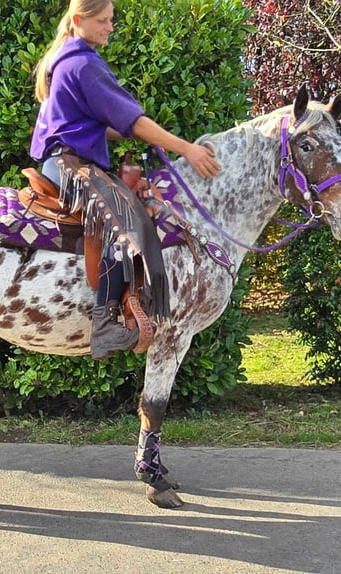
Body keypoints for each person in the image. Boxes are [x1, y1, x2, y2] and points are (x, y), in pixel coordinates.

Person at [30, 0, 220, 360]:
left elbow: (95, 124)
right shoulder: (84, 65)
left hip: (62, 162)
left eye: (111, 20)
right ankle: (105, 325)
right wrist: (186, 149)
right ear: (77, 20)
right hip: (71, 166)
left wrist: (132, 132)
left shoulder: (65, 61)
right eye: (102, 20)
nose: (110, 27)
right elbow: (133, 121)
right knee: (127, 223)